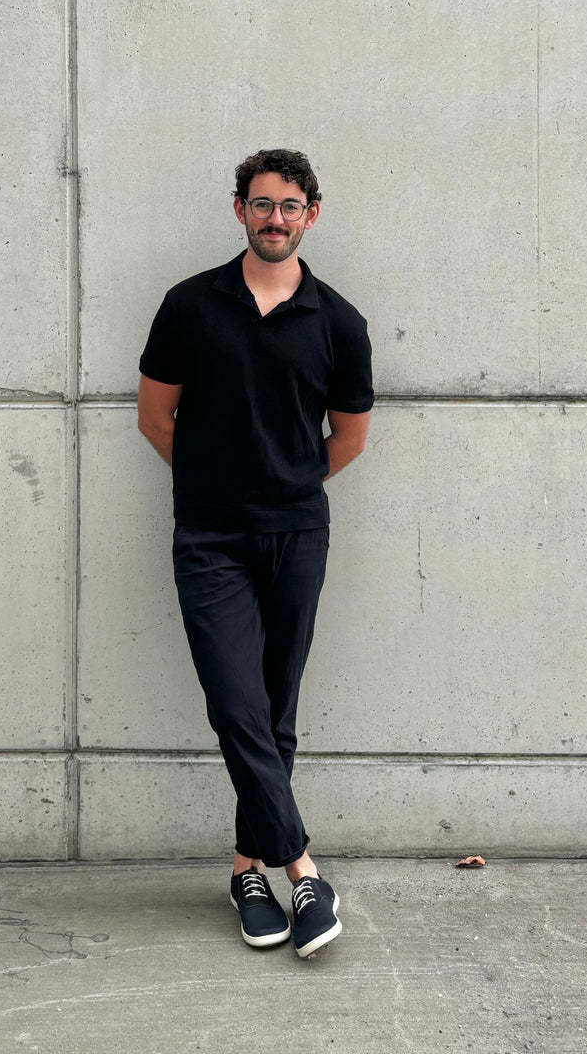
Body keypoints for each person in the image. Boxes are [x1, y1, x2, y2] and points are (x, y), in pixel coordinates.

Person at [137, 149, 373, 958]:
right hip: (210, 539)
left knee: (274, 713)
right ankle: (304, 870)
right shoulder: (188, 307)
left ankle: (246, 873)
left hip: (297, 536)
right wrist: (217, 485)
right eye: (262, 204)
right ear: (239, 208)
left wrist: (284, 486)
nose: (276, 219)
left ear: (312, 215)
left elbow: (349, 438)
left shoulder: (339, 323)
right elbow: (154, 419)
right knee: (236, 706)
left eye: (290, 206)